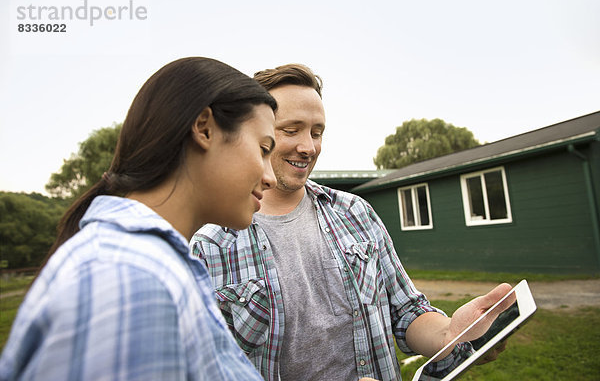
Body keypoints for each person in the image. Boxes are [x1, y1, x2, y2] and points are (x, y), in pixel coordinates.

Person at [190, 63, 514, 381]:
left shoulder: (355, 212)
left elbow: (406, 311)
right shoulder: (212, 245)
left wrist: (450, 334)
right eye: (291, 130)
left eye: (317, 133)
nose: (309, 147)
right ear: (255, 132)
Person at [0, 57, 279, 380]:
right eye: (263, 148)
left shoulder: (149, 266)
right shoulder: (132, 277)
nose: (270, 177)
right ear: (204, 128)